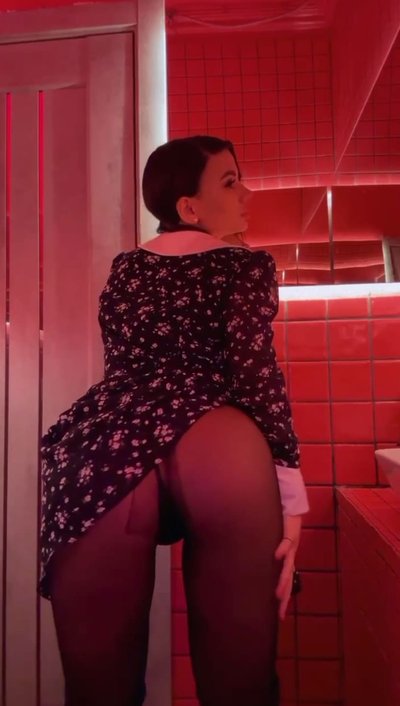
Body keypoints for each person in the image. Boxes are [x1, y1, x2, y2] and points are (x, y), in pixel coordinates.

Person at [40, 135, 309, 706]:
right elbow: (256, 374)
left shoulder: (126, 268)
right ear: (189, 207)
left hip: (111, 441)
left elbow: (124, 366)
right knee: (240, 688)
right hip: (217, 440)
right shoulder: (245, 265)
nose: (246, 193)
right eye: (230, 182)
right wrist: (292, 496)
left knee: (97, 692)